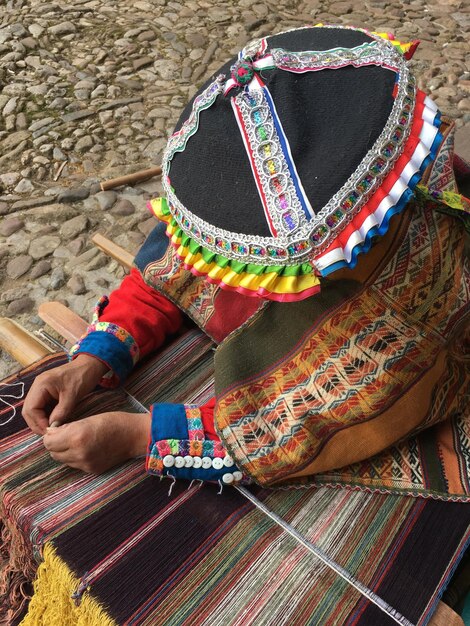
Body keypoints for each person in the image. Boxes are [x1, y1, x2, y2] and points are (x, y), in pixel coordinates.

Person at [22, 24, 470, 488]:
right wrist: (92, 360)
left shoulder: (397, 309)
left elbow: (289, 430)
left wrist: (140, 435)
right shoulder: (246, 207)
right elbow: (171, 269)